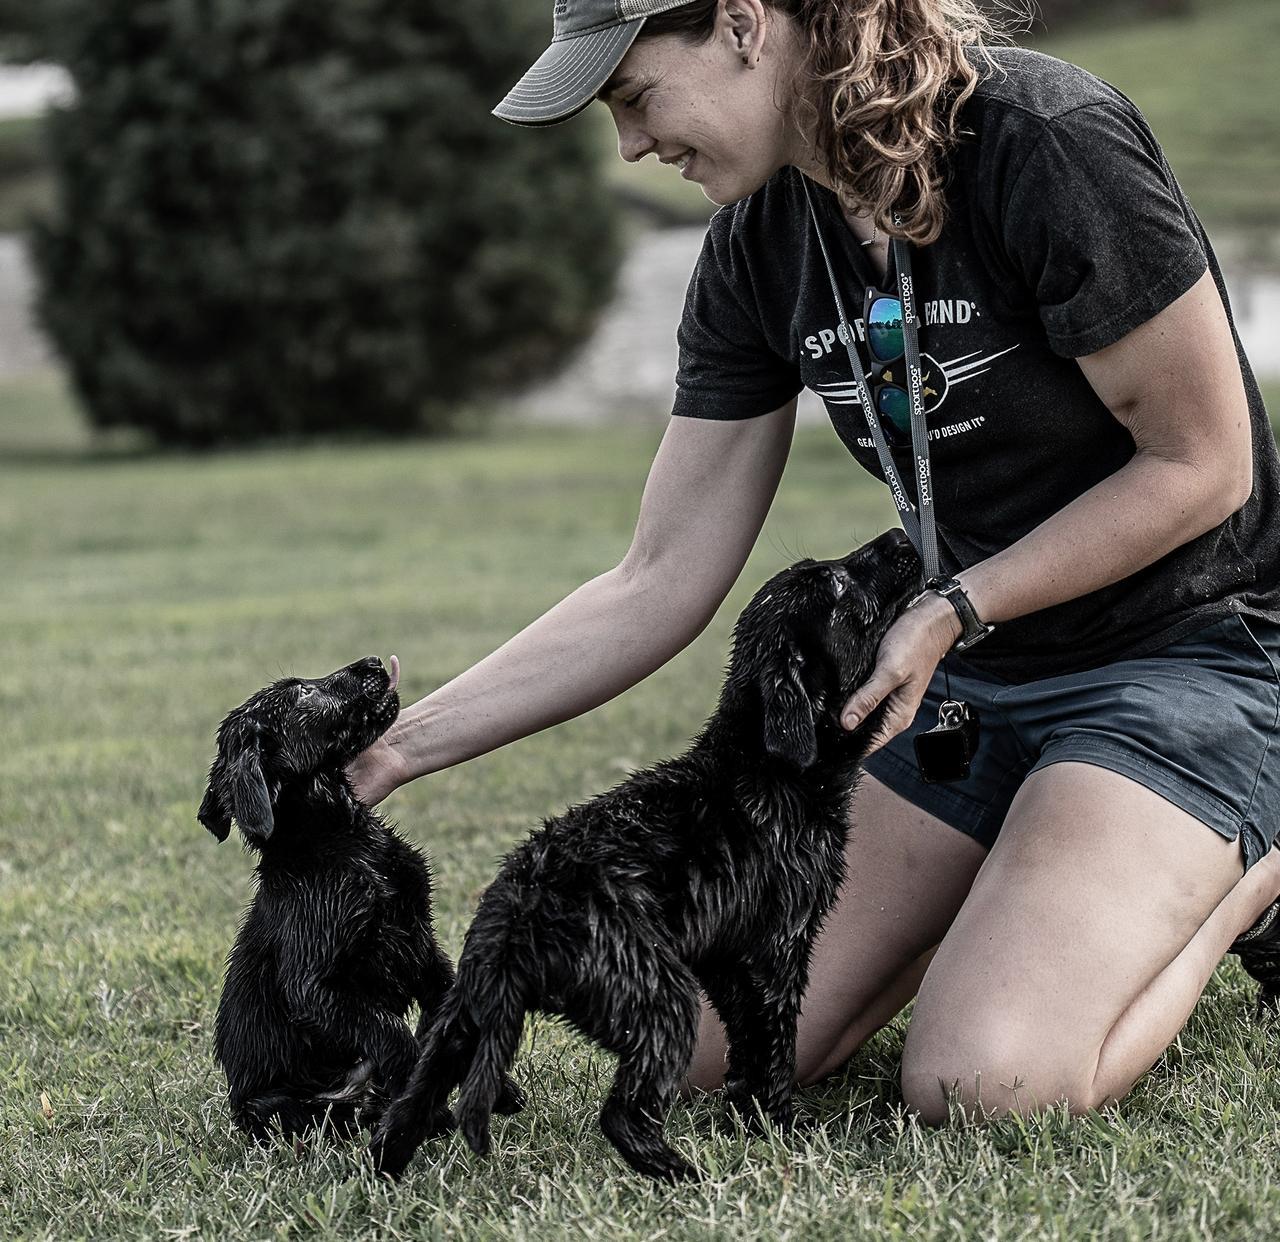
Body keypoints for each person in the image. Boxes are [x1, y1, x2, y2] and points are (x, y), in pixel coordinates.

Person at [349, 0, 1280, 1124]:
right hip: (964, 679)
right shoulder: (760, 241)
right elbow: (659, 576)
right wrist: (395, 752)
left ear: (743, 24)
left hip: (1189, 652)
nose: (632, 147)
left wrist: (952, 606)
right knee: (698, 1046)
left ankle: (1250, 876)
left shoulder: (1041, 139)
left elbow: (1200, 465)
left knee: (985, 1087)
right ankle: (1046, 865)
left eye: (632, 96)